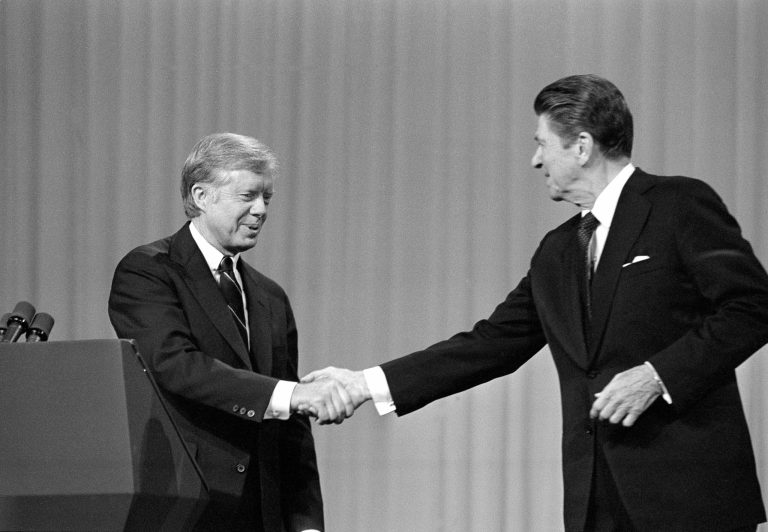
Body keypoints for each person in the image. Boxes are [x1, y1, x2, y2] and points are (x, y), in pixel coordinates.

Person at [304, 75, 768, 531]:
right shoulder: (559, 250)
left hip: (691, 498)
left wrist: (657, 376)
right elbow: (491, 344)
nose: (534, 160)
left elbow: (753, 306)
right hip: (596, 501)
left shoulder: (677, 204)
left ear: (582, 147)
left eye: (542, 144)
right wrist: (365, 384)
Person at [109, 133, 355, 532]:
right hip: (188, 510)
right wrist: (292, 394)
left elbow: (291, 428)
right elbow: (175, 365)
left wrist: (306, 523)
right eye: (248, 196)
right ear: (202, 195)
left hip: (264, 515)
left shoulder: (270, 296)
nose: (260, 210)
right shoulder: (149, 271)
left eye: (267, 198)